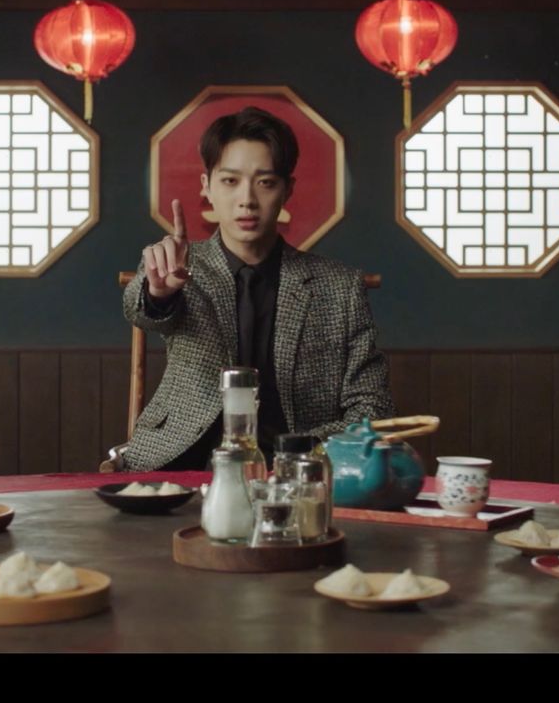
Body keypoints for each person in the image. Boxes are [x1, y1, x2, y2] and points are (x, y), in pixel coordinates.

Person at [119, 106, 393, 471]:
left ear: (287, 190)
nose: (247, 199)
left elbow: (372, 407)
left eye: (265, 182)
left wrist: (301, 454)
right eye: (230, 181)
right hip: (184, 462)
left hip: (295, 470)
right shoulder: (182, 266)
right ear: (207, 187)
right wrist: (159, 294)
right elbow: (141, 310)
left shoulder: (339, 287)